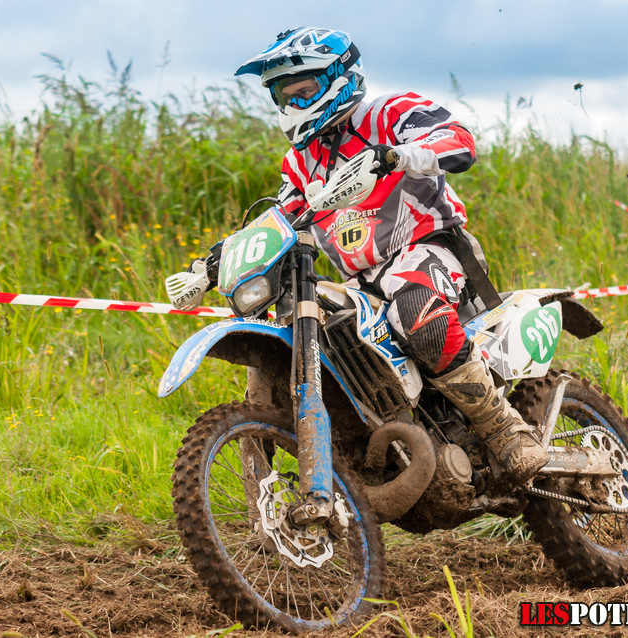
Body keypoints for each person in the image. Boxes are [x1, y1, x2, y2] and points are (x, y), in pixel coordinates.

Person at [216, 27, 546, 483]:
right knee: (308, 333)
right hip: (361, 280)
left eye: (303, 92)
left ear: (340, 77)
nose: (293, 105)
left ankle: (505, 429)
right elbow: (283, 217)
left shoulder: (388, 112)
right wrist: (217, 259)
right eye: (283, 97)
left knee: (416, 313)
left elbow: (458, 141)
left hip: (428, 248)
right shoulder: (301, 160)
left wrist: (396, 155)